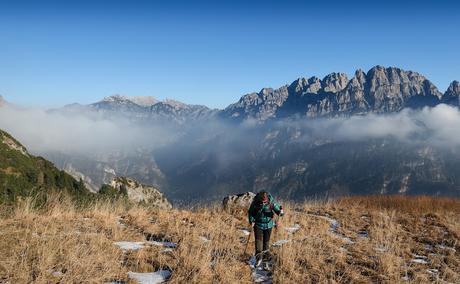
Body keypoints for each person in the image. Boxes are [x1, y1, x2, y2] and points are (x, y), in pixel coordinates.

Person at [248, 191, 284, 267]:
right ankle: (258, 259)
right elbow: (250, 212)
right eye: (262, 201)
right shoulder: (255, 203)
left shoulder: (271, 202)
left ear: (267, 198)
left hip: (268, 225)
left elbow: (278, 210)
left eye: (265, 201)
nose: (264, 202)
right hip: (258, 225)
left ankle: (265, 261)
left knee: (266, 244)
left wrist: (280, 212)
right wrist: (251, 220)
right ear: (259, 199)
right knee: (258, 244)